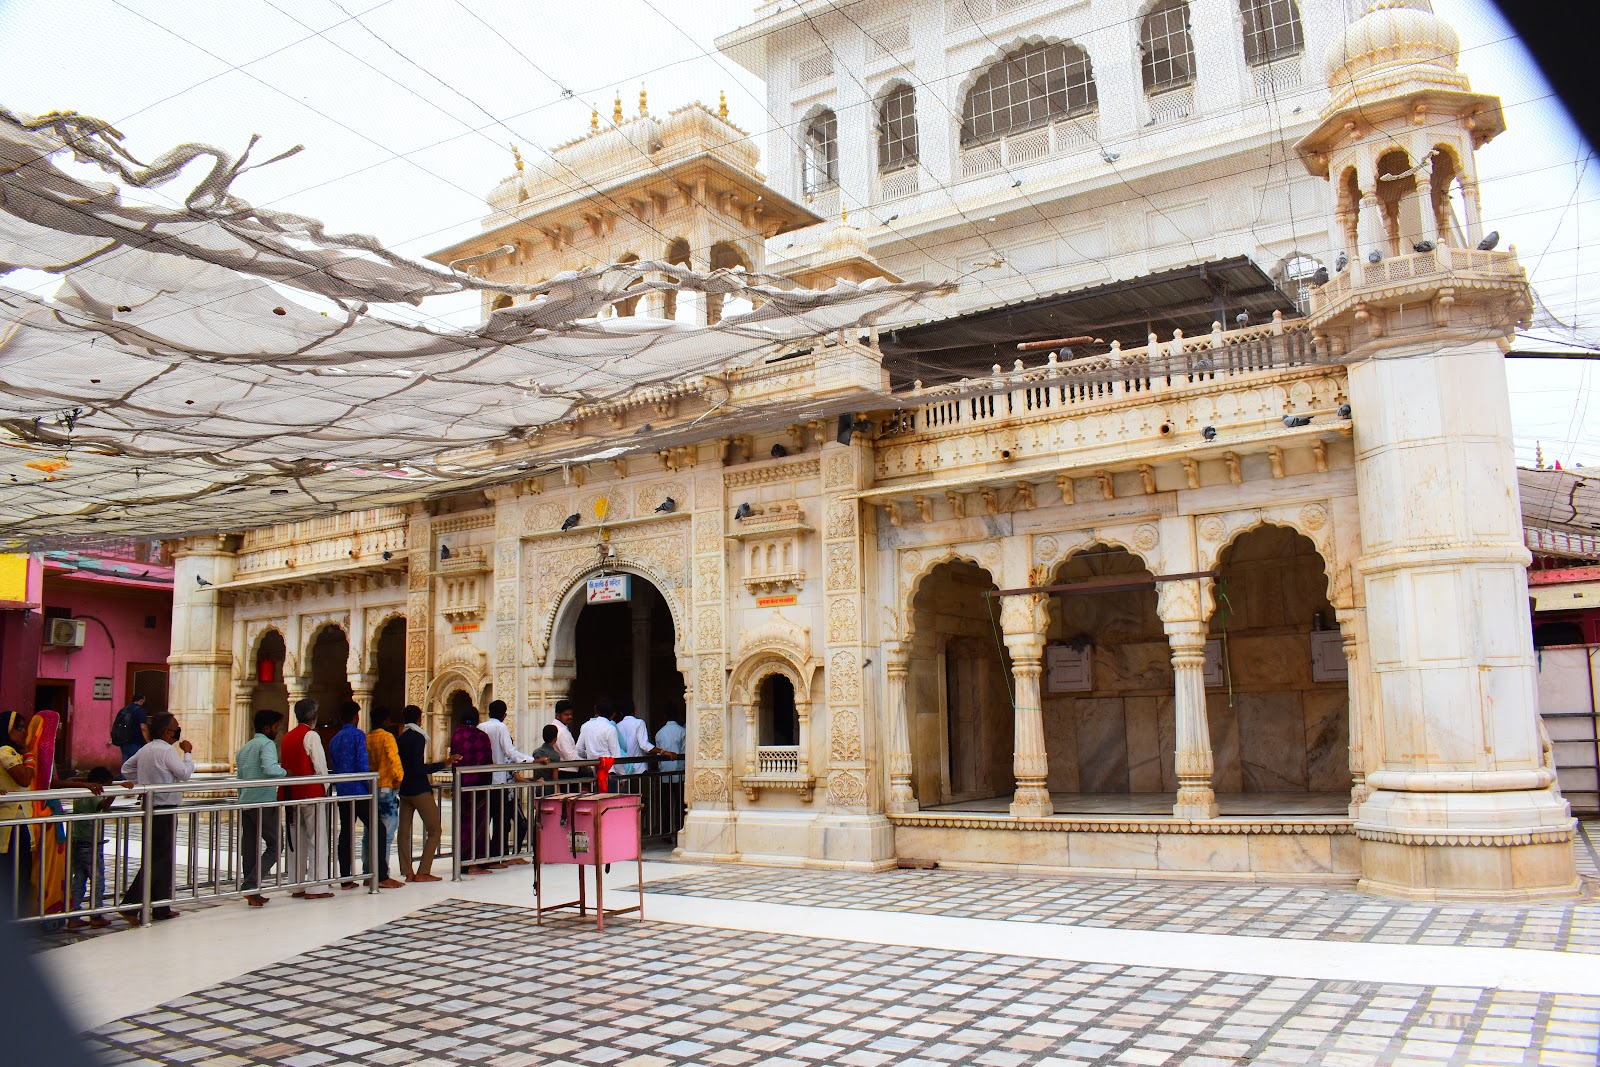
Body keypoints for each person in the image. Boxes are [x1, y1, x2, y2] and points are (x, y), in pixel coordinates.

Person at [119, 712, 193, 924]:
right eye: (175, 728)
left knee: (160, 858)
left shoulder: (147, 749)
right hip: (165, 807)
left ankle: (161, 906)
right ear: (166, 732)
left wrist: (142, 781)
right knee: (158, 860)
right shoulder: (167, 750)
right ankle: (131, 905)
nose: (178, 732)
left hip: (151, 806)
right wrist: (187, 753)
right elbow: (184, 774)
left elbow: (126, 768)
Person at [279, 699, 334, 900]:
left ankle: (296, 884)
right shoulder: (311, 736)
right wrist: (326, 788)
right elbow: (320, 766)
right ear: (313, 716)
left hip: (292, 793)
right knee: (317, 839)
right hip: (311, 792)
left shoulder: (287, 736)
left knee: (297, 839)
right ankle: (317, 886)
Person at [397, 705, 458, 883]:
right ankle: (423, 870)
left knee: (404, 831)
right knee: (434, 829)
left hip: (405, 789)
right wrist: (442, 764)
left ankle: (407, 871)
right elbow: (418, 767)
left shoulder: (400, 739)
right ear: (419, 719)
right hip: (419, 789)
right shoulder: (418, 738)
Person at [235, 709, 286, 907]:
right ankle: (250, 885)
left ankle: (252, 890)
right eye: (276, 727)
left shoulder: (246, 747)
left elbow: (240, 777)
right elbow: (270, 769)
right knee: (275, 845)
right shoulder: (267, 744)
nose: (278, 731)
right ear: (267, 728)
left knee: (249, 846)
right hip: (263, 802)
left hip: (247, 801)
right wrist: (285, 772)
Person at [479, 700, 534, 862]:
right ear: (504, 714)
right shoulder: (500, 727)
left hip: (484, 780)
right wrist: (531, 760)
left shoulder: (481, 727)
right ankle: (497, 856)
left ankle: (487, 855)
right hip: (499, 781)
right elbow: (510, 752)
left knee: (487, 820)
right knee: (500, 821)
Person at [327, 701, 371, 891]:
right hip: (359, 791)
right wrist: (370, 785)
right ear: (355, 717)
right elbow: (362, 764)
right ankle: (377, 873)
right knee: (378, 828)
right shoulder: (358, 735)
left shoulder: (334, 739)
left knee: (345, 833)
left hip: (343, 792)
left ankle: (345, 878)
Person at [64, 767, 114, 929]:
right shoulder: (93, 793)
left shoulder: (80, 792)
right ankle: (96, 914)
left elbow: (71, 780)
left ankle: (73, 914)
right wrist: (113, 794)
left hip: (77, 842)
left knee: (78, 879)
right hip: (91, 844)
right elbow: (103, 805)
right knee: (98, 879)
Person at [450, 707, 495, 874]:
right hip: (478, 787)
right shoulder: (481, 736)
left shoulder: (456, 734)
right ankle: (475, 863)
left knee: (462, 824)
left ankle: (462, 861)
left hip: (461, 786)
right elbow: (486, 761)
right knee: (478, 825)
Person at [0, 711, 36, 918]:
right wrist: (30, 755)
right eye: (19, 728)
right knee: (14, 872)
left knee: (20, 871)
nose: (23, 733)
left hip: (19, 821)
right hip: (10, 822)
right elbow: (24, 778)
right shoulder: (6, 751)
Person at [365, 707, 404, 889]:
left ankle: (368, 872)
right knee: (387, 833)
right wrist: (399, 779)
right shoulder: (387, 737)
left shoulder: (368, 736)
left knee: (369, 833)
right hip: (386, 786)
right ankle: (382, 873)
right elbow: (394, 760)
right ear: (386, 721)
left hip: (372, 787)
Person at [109, 694, 148, 763]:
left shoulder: (124, 709)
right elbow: (143, 728)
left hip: (123, 739)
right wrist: (148, 741)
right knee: (135, 762)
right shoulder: (140, 711)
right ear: (141, 701)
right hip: (135, 740)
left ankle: (124, 774)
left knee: (126, 761)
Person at [655, 715, 686, 783]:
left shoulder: (659, 733)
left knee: (665, 793)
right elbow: (685, 752)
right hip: (680, 773)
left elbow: (658, 755)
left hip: (664, 772)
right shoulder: (683, 731)